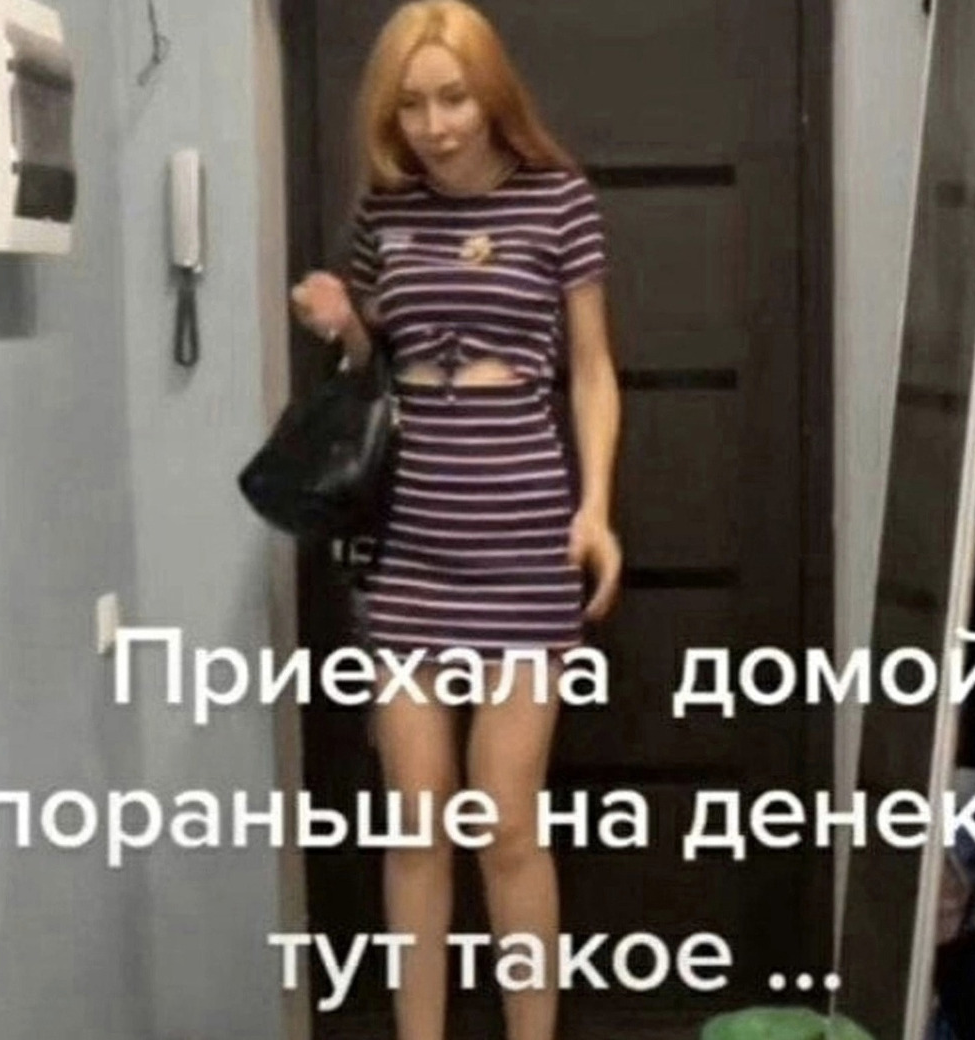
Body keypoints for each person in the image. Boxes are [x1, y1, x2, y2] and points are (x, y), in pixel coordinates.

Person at [289, 3, 621, 1038]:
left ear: (492, 95)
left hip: (523, 540)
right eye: (412, 105)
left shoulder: (559, 200)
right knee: (417, 823)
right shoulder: (385, 210)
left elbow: (593, 371)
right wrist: (344, 326)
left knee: (507, 823)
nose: (434, 126)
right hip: (410, 543)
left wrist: (596, 510)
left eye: (453, 99)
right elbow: (373, 365)